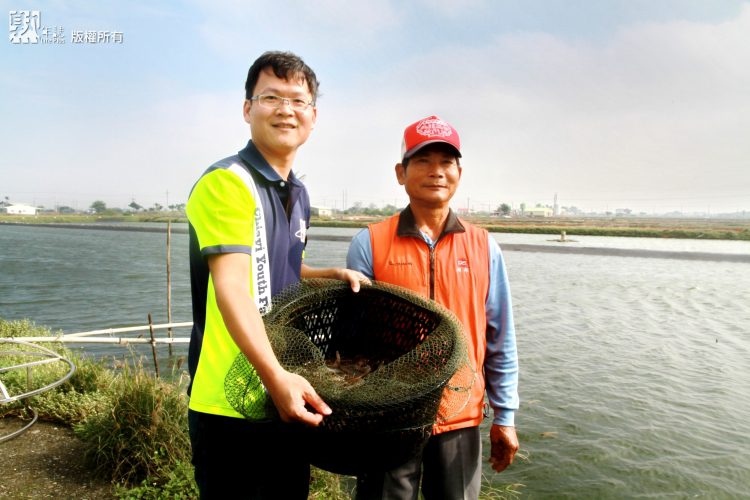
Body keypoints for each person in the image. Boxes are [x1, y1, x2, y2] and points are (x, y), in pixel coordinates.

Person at [186, 51, 368, 499]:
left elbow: (280, 265)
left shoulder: (298, 193)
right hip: (229, 402)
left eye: (298, 100)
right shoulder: (228, 183)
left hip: (285, 387)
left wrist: (327, 273)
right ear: (248, 108)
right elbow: (232, 285)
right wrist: (275, 376)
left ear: (313, 115)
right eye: (271, 97)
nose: (286, 109)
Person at [347, 115, 520, 499]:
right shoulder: (369, 244)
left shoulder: (484, 247)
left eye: (446, 162)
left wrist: (505, 416)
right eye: (423, 161)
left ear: (459, 171)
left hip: (459, 418)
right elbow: (352, 343)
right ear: (401, 172)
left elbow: (500, 339)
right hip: (389, 418)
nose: (436, 171)